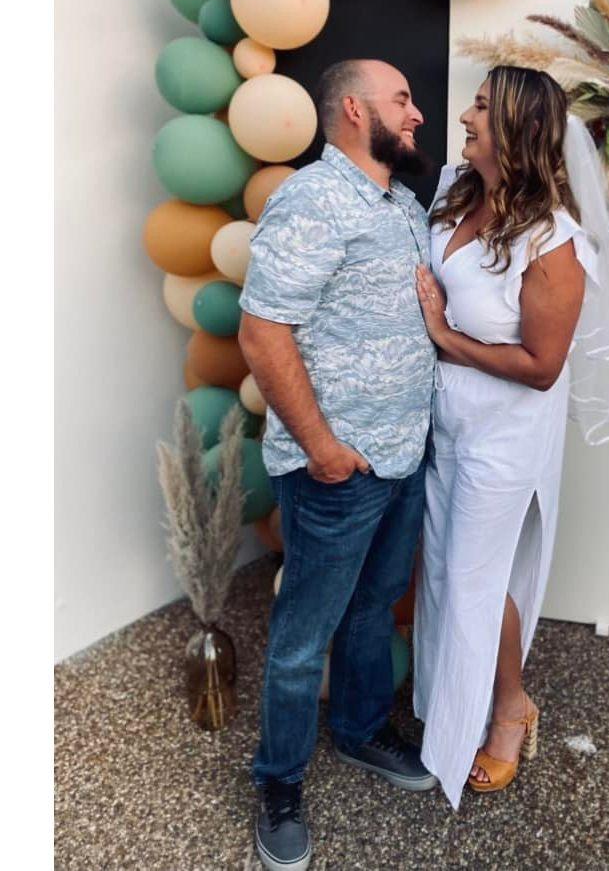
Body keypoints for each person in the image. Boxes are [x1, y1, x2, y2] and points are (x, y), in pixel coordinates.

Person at [238, 59, 437, 871]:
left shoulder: (401, 202)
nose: (416, 114)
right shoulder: (312, 199)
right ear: (355, 110)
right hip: (338, 469)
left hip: (402, 454)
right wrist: (321, 447)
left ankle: (358, 730)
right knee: (301, 638)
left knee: (373, 608)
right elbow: (262, 333)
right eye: (402, 100)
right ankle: (278, 782)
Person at [412, 65, 609, 808]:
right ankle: (449, 708)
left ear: (518, 129)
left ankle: (507, 710)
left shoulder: (552, 243)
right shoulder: (451, 190)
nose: (464, 117)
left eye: (480, 107)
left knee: (476, 574)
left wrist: (444, 336)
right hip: (445, 420)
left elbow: (540, 367)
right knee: (444, 568)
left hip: (505, 434)